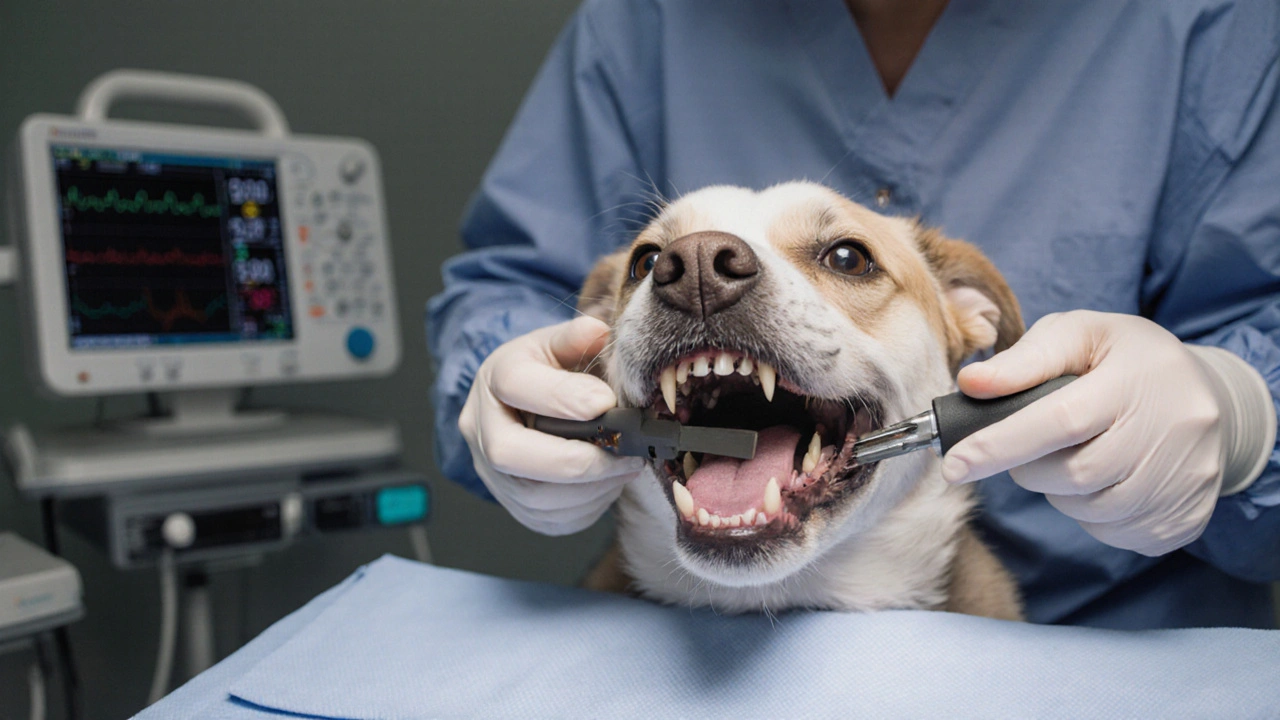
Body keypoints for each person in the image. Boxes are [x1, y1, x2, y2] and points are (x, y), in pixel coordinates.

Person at [428, 0, 1280, 629]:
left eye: (843, 259)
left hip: (1115, 638)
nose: (703, 271)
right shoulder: (639, 25)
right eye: (657, 262)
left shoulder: (1209, 25)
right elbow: (511, 285)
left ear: (969, 325)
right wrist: (504, 376)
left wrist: (1244, 408)